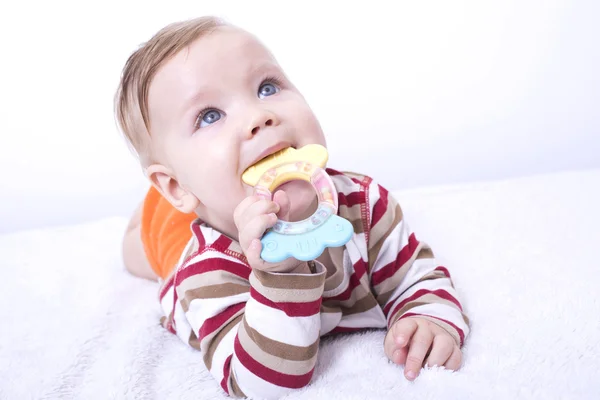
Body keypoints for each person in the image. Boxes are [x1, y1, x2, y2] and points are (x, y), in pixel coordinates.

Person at [115, 16, 470, 399]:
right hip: (179, 238)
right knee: (145, 247)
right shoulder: (205, 274)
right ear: (176, 185)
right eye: (210, 115)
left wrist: (428, 317)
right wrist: (280, 272)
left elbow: (417, 276)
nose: (258, 117)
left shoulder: (365, 206)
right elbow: (260, 385)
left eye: (267, 87)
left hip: (205, 198)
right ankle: (152, 211)